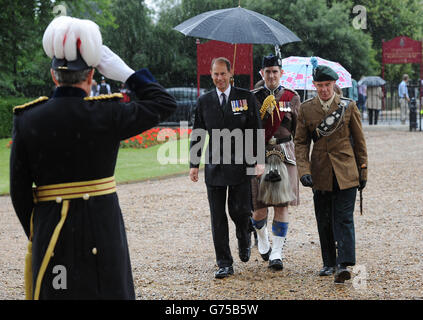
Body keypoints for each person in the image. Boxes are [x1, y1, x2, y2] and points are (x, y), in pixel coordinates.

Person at [10, 16, 177, 299]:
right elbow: (164, 103)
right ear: (91, 76)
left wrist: (39, 230)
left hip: (53, 232)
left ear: (54, 76)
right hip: (104, 230)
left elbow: (19, 192)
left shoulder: (28, 120)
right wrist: (127, 73)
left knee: (59, 292)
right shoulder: (108, 114)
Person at [294, 61, 367, 284]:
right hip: (320, 172)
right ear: (314, 85)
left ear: (334, 84)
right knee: (324, 218)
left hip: (346, 171)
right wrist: (303, 170)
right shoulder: (306, 109)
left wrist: (363, 173)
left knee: (344, 218)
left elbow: (360, 143)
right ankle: (329, 262)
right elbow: (300, 142)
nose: (324, 89)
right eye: (320, 85)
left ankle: (344, 264)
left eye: (328, 84)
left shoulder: (348, 106)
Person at [189, 57, 263, 279]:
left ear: (231, 74)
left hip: (241, 164)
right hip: (215, 166)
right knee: (217, 216)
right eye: (215, 74)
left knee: (240, 211)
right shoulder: (205, 101)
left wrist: (258, 160)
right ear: (210, 75)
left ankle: (244, 234)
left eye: (223, 74)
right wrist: (194, 164)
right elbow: (198, 132)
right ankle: (224, 262)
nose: (219, 78)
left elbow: (255, 129)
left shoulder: (245, 97)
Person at [250, 54, 300, 270]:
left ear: (281, 73)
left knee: (282, 205)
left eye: (275, 71)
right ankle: (262, 238)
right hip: (258, 154)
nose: (271, 75)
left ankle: (277, 252)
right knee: (258, 208)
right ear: (262, 73)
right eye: (267, 71)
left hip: (284, 153)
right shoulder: (252, 97)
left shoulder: (291, 97)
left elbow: (298, 129)